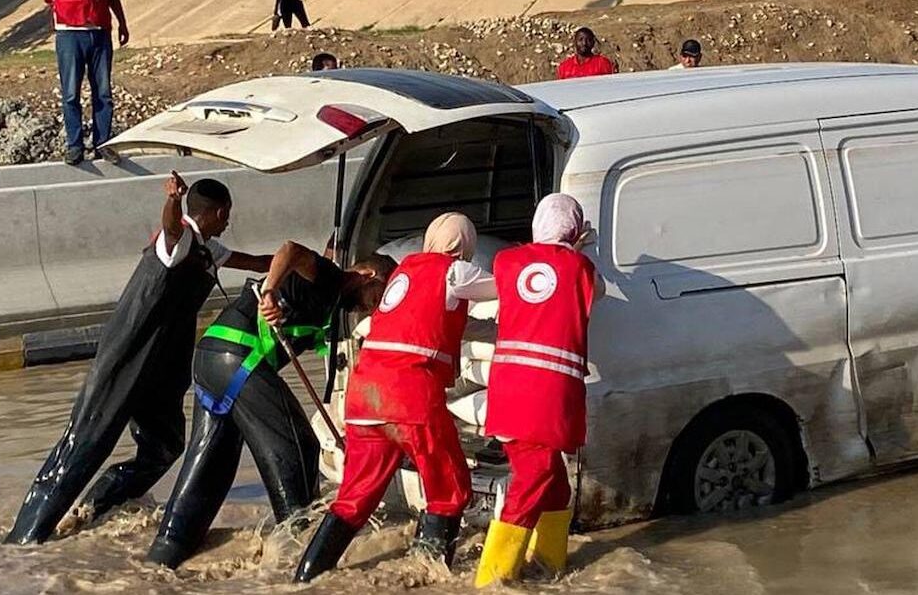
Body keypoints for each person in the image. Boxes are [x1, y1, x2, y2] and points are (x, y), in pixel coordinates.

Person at [5, 172, 271, 545]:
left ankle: (97, 507)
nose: (229, 222)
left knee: (164, 445)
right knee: (86, 440)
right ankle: (27, 535)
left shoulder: (210, 250)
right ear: (219, 211)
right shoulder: (176, 241)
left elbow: (259, 262)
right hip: (128, 356)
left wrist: (309, 265)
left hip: (163, 367)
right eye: (227, 215)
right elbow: (171, 232)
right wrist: (172, 200)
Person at [146, 242, 395, 569]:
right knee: (299, 445)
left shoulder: (327, 299)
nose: (373, 309)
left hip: (211, 358)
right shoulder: (331, 279)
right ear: (368, 275)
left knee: (212, 465)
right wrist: (270, 292)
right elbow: (290, 250)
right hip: (237, 357)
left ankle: (165, 554)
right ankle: (297, 553)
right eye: (377, 297)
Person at [294, 213, 497, 583]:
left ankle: (304, 579)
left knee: (355, 498)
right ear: (462, 246)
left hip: (364, 396)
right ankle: (426, 579)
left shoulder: (404, 275)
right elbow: (514, 287)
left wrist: (499, 332)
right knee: (450, 489)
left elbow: (454, 324)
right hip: (409, 397)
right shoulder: (453, 272)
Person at [475, 194, 599, 587]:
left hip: (508, 389)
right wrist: (577, 251)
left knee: (555, 486)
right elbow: (598, 295)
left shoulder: (506, 262)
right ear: (575, 229)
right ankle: (493, 579)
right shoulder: (582, 268)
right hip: (548, 395)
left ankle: (548, 567)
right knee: (535, 477)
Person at [45, 0, 130, 166]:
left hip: (99, 30)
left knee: (103, 92)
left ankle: (102, 143)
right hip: (70, 33)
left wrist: (122, 22)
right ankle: (75, 145)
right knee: (71, 93)